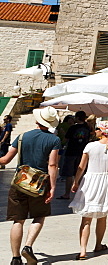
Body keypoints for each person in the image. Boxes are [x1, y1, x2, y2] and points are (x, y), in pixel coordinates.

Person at [0, 106, 61, 265]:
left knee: (17, 220)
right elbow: (52, 165)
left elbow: (5, 160)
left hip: (20, 183)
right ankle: (27, 246)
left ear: (37, 120)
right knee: (39, 216)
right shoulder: (54, 140)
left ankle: (15, 258)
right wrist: (53, 187)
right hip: (40, 185)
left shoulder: (22, 136)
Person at [69, 121, 108, 260]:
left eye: (98, 129)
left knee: (86, 218)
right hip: (107, 182)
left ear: (104, 131)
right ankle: (98, 245)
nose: (95, 131)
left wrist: (76, 182)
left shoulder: (90, 146)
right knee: (102, 216)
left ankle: (83, 250)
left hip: (90, 181)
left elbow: (81, 167)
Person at [58, 113, 93, 200]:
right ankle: (80, 193)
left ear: (77, 118)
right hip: (82, 152)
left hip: (71, 152)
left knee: (69, 174)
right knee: (80, 173)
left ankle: (67, 194)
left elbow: (66, 139)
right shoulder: (87, 128)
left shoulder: (73, 127)